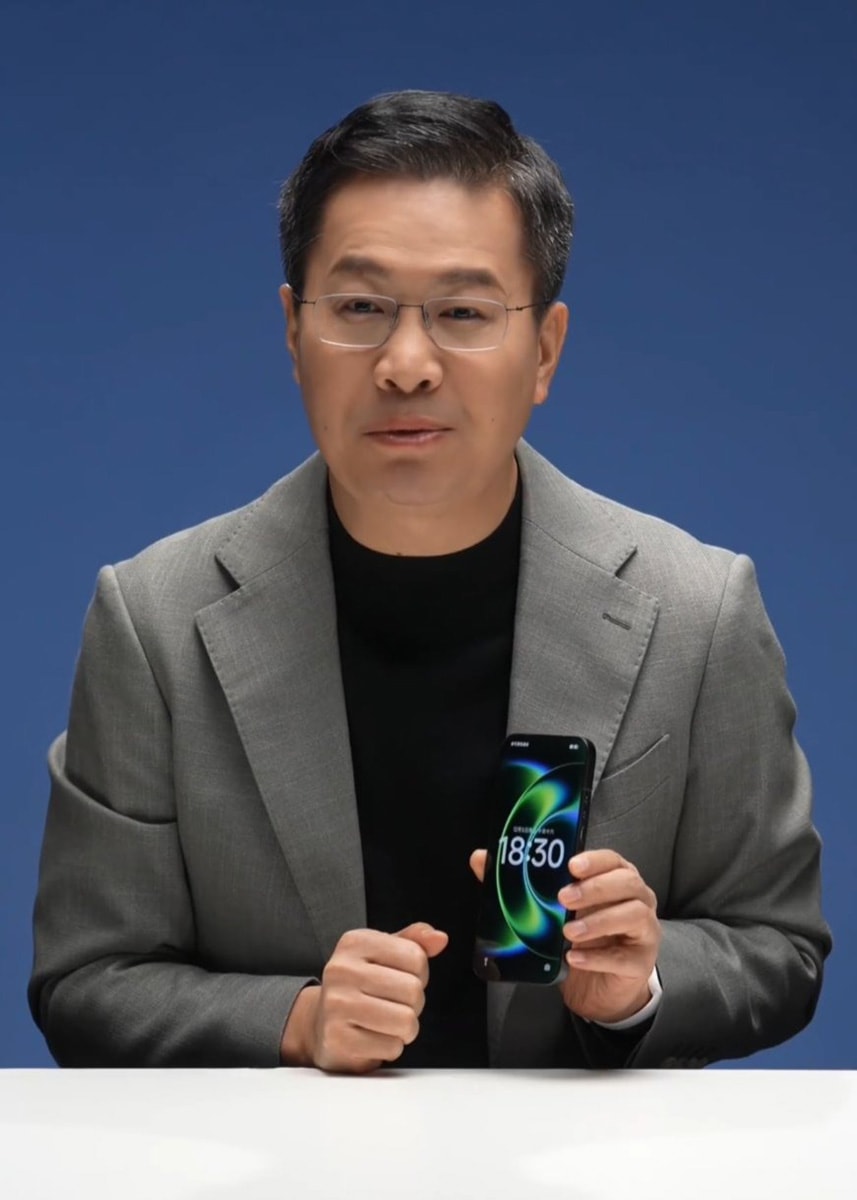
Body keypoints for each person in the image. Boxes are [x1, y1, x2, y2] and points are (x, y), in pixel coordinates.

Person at [29, 90, 830, 1071]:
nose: (406, 364)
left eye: (462, 313)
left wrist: (640, 984)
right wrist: (296, 1020)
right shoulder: (154, 618)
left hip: (582, 1153)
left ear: (544, 349)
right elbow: (86, 979)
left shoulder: (698, 609)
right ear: (292, 332)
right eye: (360, 308)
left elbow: (777, 945)